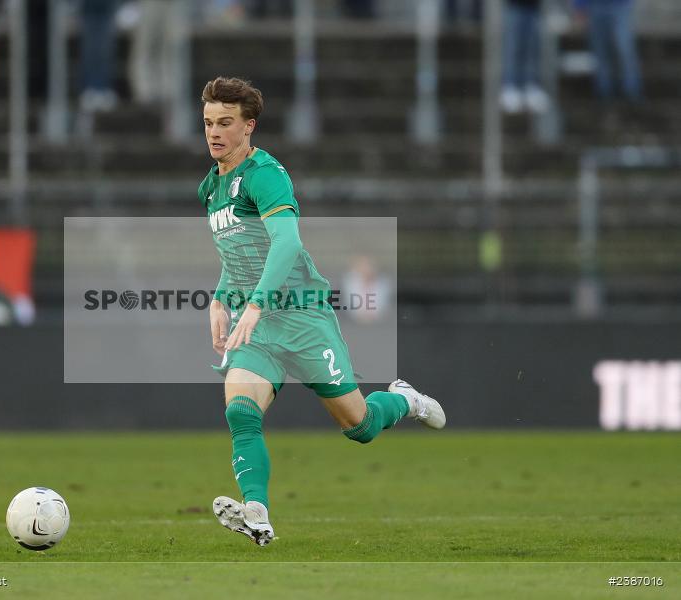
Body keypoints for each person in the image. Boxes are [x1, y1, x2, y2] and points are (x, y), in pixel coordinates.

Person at [199, 77, 446, 546]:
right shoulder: (211, 187)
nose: (214, 132)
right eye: (209, 122)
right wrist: (219, 299)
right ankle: (257, 511)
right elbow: (239, 256)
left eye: (226, 123)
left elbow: (287, 243)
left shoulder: (265, 175)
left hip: (304, 318)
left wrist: (253, 303)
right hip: (259, 327)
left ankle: (405, 399)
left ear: (249, 126)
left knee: (361, 427)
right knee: (241, 411)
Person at [574, 0, 642, 103]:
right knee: (600, 53)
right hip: (596, 6)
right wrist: (580, 6)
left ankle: (631, 92)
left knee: (623, 49)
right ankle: (604, 93)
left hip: (620, 5)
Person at [500, 0, 550, 114]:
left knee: (533, 49)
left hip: (534, 7)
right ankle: (510, 85)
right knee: (513, 48)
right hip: (514, 6)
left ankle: (531, 85)